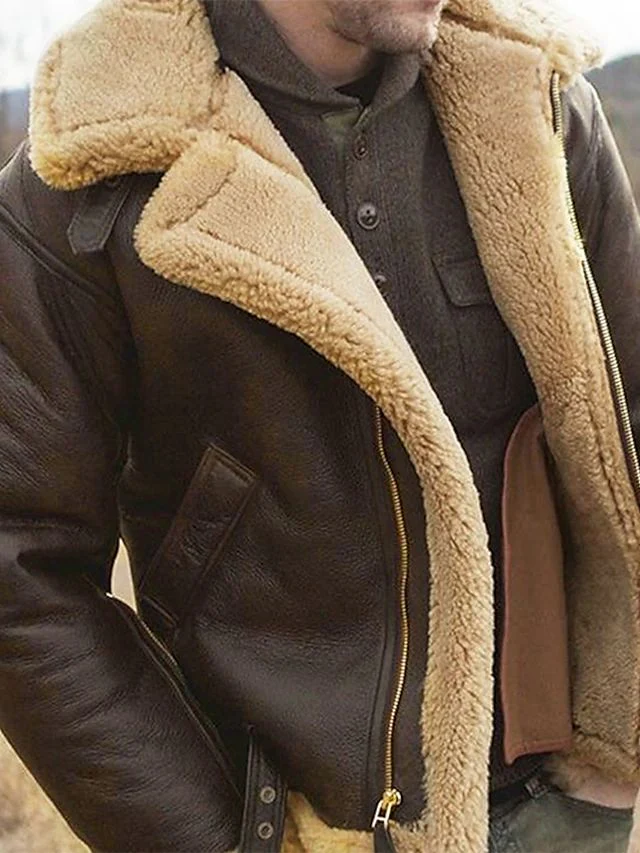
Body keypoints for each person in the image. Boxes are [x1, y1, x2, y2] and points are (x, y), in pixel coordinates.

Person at [0, 0, 639, 850]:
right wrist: (216, 837)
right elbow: (20, 557)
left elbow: (625, 429)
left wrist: (611, 750)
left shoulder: (535, 103)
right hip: (298, 829)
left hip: (567, 809)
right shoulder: (94, 162)